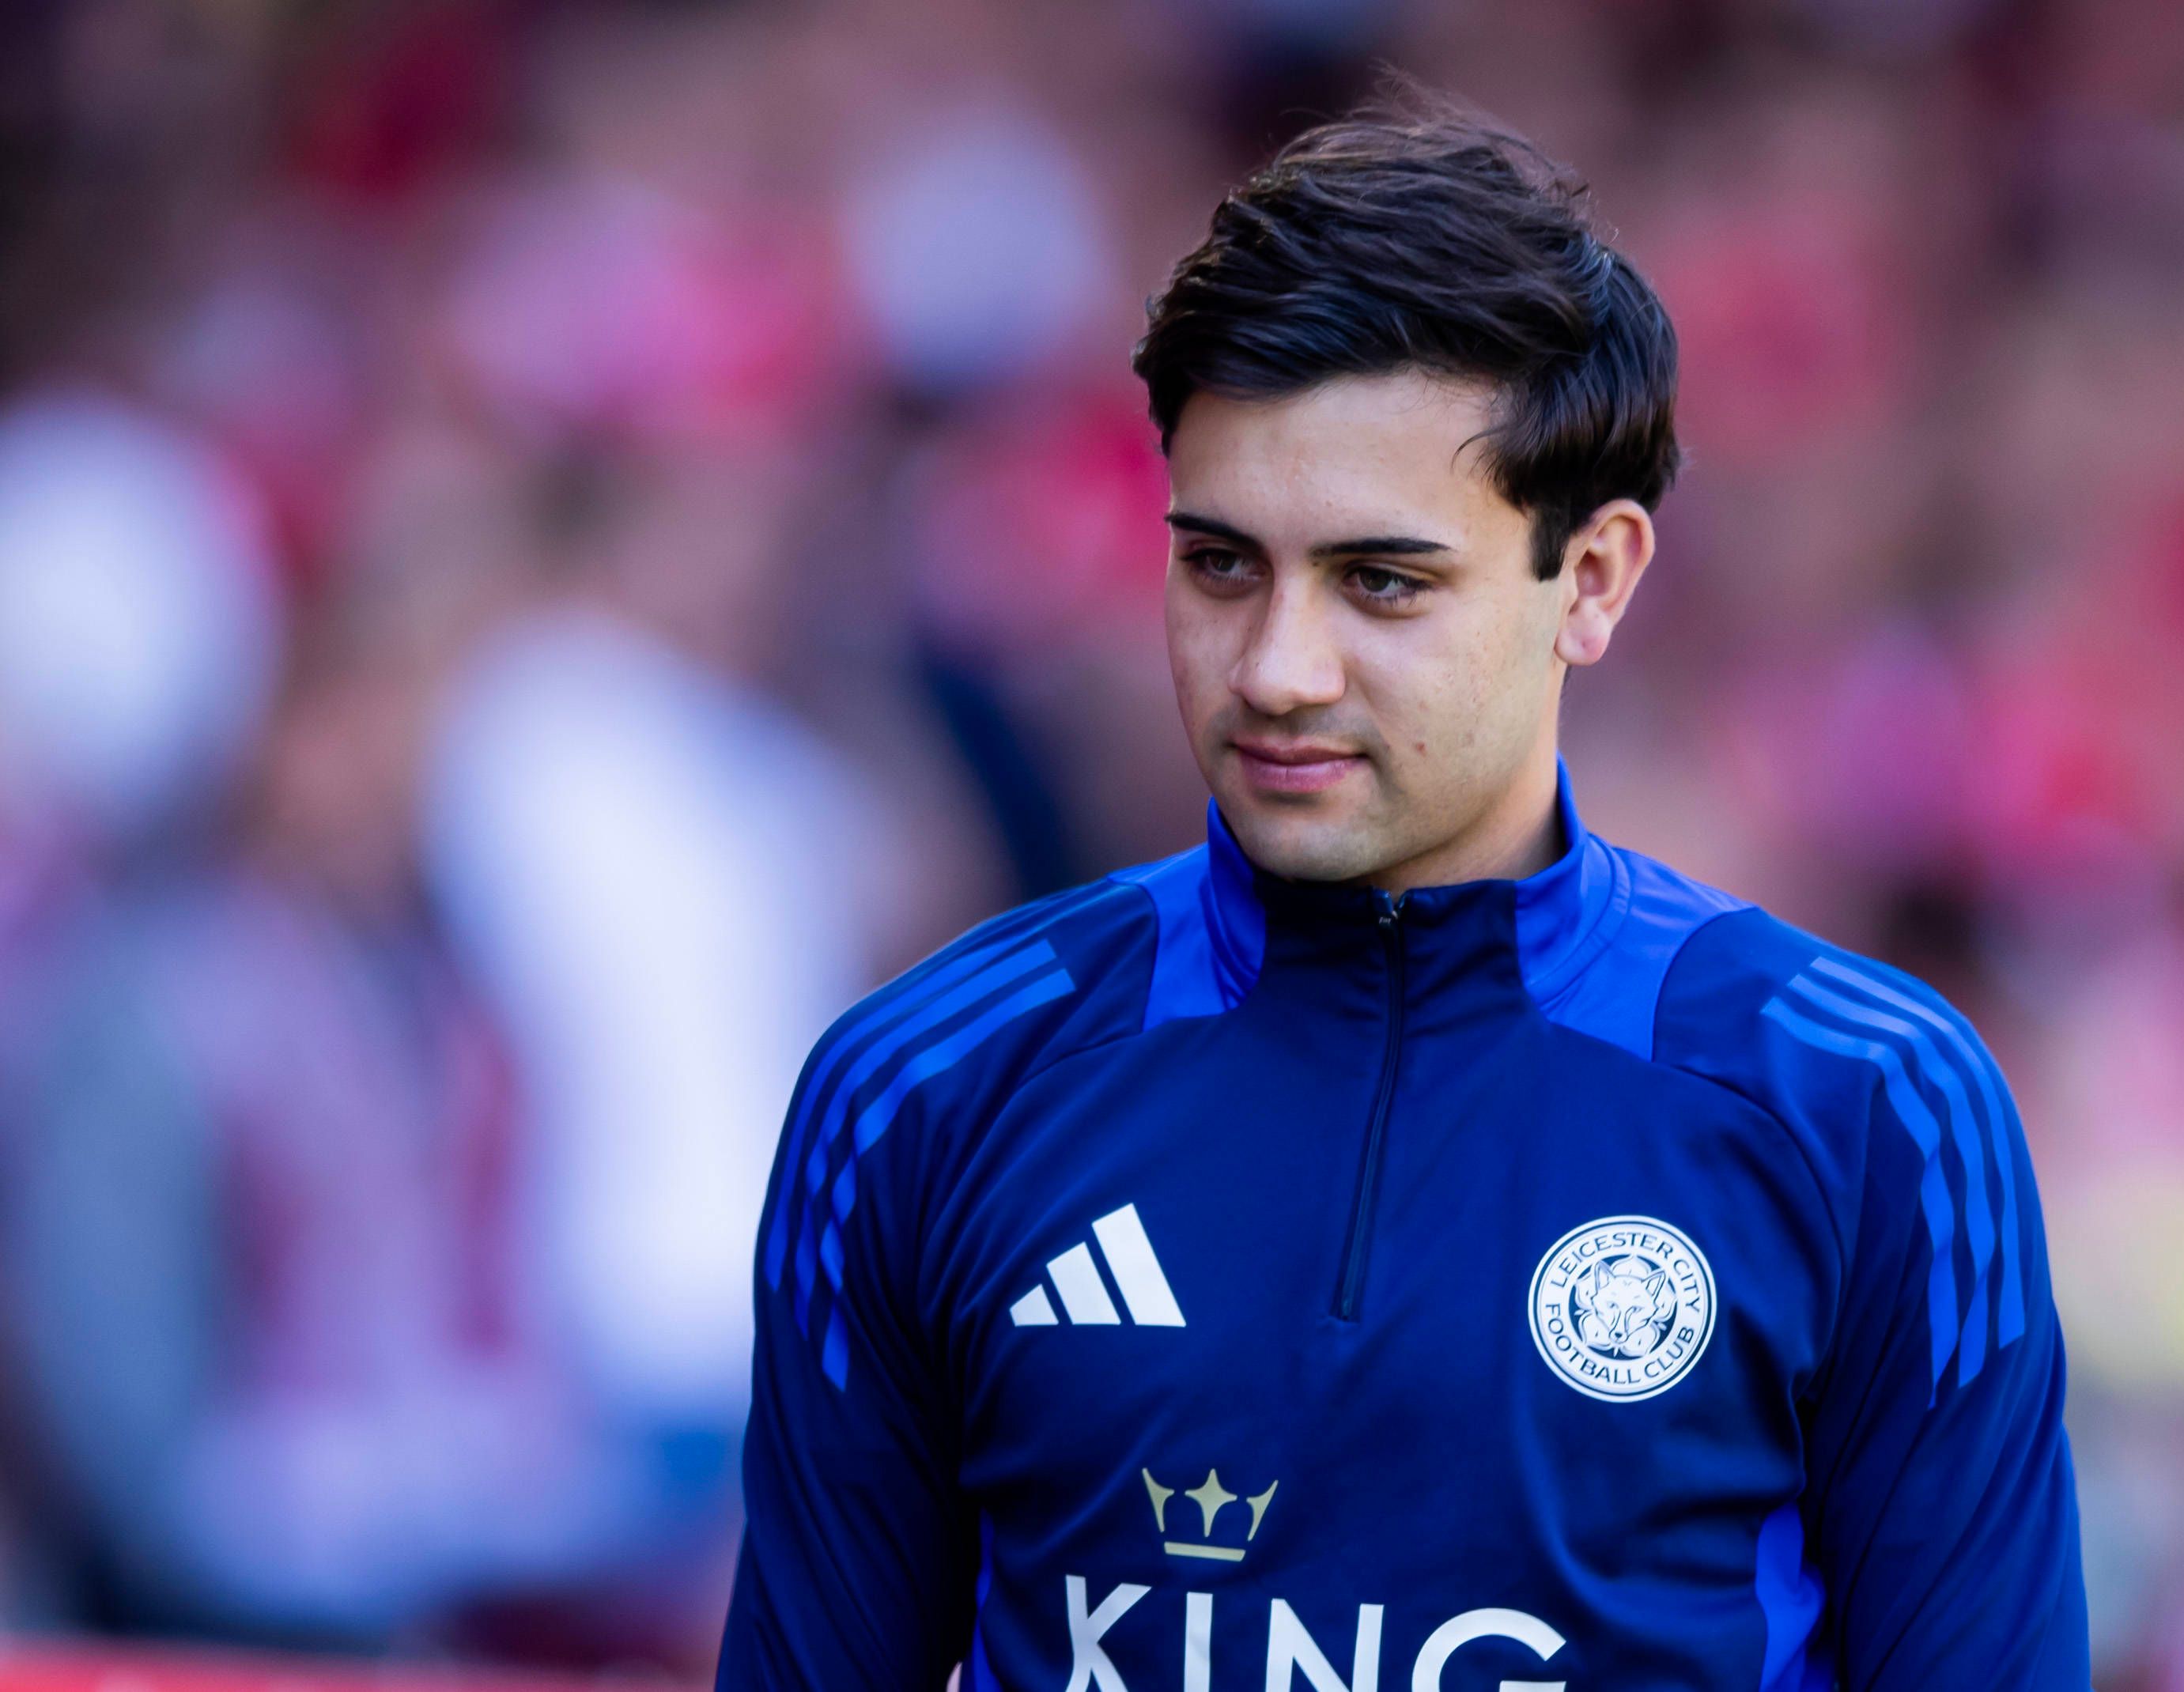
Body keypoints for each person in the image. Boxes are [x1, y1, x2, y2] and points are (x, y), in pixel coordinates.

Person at [716, 99, 2088, 1692]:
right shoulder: (924, 1091)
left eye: (1381, 580)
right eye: (1220, 564)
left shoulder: (1866, 1107)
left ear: (1592, 578)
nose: (1277, 667)